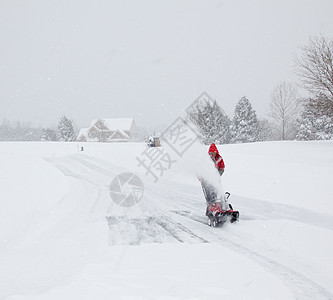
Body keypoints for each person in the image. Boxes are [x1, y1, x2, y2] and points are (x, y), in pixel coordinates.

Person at [200, 143, 227, 213]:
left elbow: (222, 168)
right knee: (209, 195)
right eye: (211, 153)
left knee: (215, 193)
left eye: (214, 153)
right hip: (206, 180)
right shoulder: (205, 159)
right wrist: (201, 177)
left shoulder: (219, 158)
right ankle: (210, 210)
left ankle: (219, 208)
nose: (213, 154)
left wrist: (218, 174)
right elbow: (199, 169)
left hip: (215, 179)